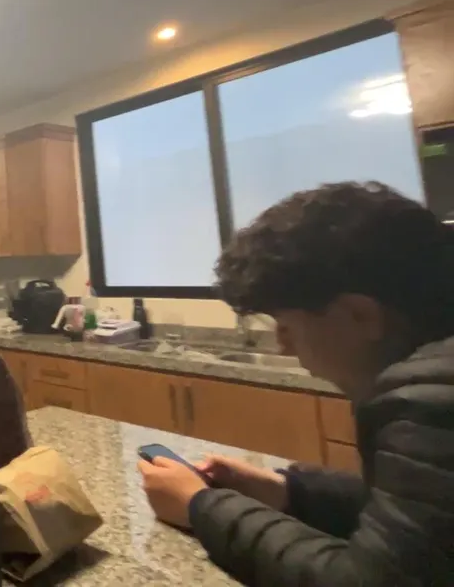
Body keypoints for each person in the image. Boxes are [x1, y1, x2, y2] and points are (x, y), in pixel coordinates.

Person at [138, 181, 454, 585]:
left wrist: (201, 506)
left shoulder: (431, 406)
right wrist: (288, 490)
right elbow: (419, 522)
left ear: (360, 315)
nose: (283, 346)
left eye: (286, 326)